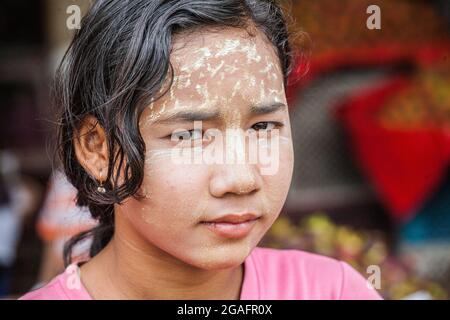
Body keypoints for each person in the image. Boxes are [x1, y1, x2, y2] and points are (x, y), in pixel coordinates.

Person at [21, 0, 381, 300]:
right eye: (190, 135)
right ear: (98, 150)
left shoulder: (332, 291)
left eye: (263, 126)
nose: (241, 179)